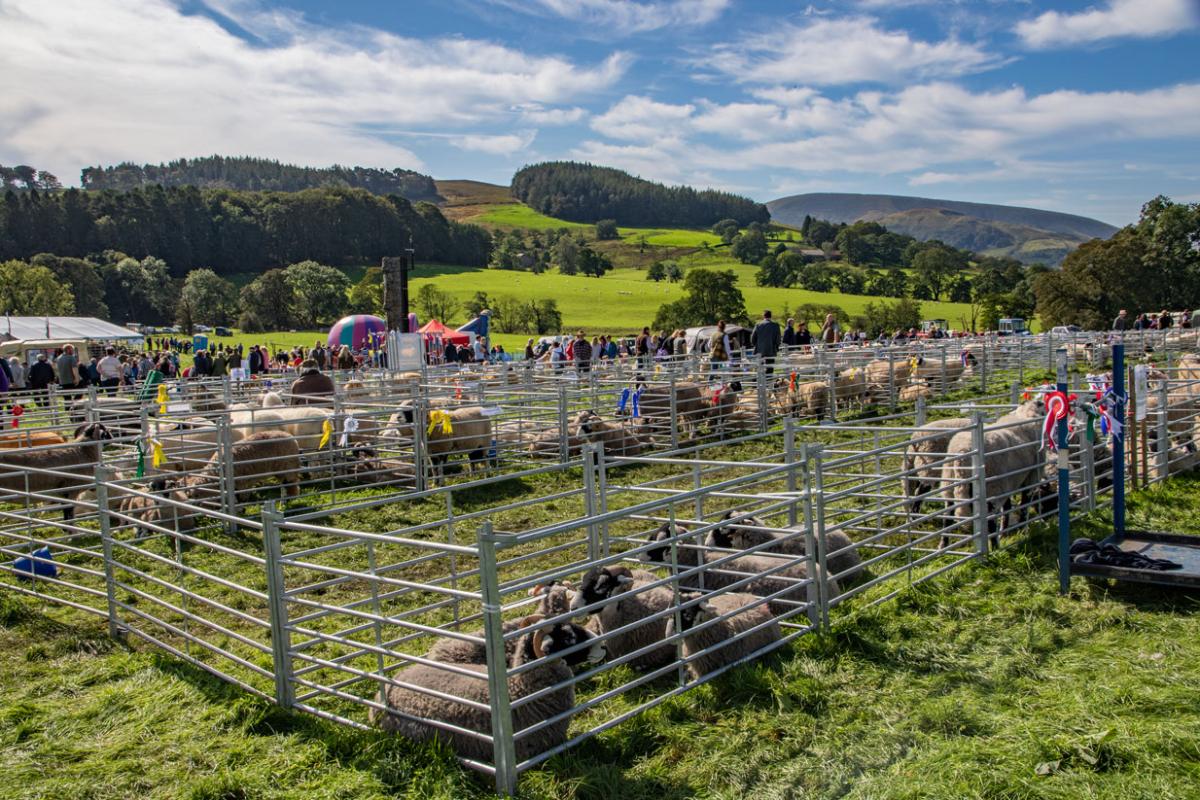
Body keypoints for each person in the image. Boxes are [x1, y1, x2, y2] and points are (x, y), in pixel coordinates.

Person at [751, 310, 782, 374]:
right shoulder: (775, 325)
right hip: (771, 350)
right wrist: (776, 347)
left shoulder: (758, 325)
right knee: (770, 368)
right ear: (771, 316)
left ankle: (760, 382)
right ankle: (769, 382)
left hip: (760, 351)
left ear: (764, 316)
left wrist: (757, 346)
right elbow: (778, 339)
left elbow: (753, 338)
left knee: (760, 368)